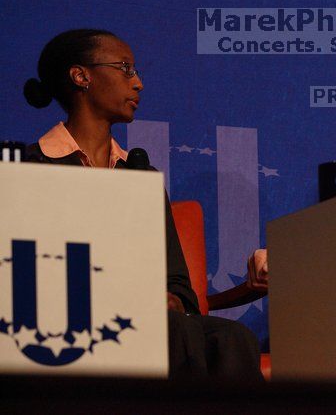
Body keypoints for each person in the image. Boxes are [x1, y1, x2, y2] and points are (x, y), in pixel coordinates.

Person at [23, 29, 268, 381]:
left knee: (233, 338)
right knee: (170, 331)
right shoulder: (28, 166)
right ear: (81, 76)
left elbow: (179, 283)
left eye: (136, 72)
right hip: (63, 317)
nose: (137, 83)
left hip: (154, 322)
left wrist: (173, 299)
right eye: (125, 69)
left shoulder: (141, 174)